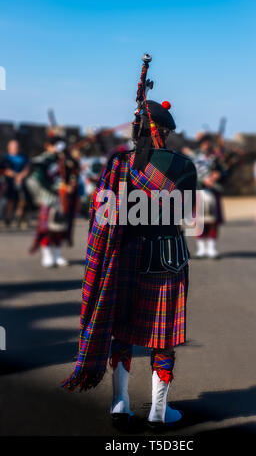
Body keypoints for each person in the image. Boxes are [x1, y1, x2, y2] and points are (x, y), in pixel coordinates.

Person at [62, 55, 197, 431]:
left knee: (121, 331)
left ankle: (120, 405)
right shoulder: (184, 166)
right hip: (168, 261)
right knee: (162, 337)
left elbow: (100, 215)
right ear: (163, 131)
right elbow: (189, 216)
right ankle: (158, 412)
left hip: (124, 259)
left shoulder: (118, 164)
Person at [27, 138, 70, 267]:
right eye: (54, 145)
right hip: (47, 198)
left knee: (59, 228)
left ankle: (57, 255)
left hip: (61, 199)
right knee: (45, 229)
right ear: (48, 146)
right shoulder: (42, 160)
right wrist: (55, 188)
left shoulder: (63, 159)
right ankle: (47, 255)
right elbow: (39, 179)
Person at [193, 133, 225, 259]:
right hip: (200, 190)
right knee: (200, 222)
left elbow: (225, 171)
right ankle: (201, 249)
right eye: (204, 142)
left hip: (213, 191)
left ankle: (211, 248)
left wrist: (218, 175)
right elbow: (192, 173)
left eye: (208, 142)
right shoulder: (195, 157)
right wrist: (202, 181)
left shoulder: (216, 158)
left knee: (213, 222)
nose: (206, 144)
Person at [1, 139, 30, 227]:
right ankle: (8, 219)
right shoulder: (6, 158)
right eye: (14, 147)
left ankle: (20, 219)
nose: (15, 149)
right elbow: (3, 170)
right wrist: (13, 175)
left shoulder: (24, 157)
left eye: (17, 147)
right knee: (10, 201)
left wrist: (21, 176)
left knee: (23, 200)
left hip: (22, 181)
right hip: (10, 182)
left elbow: (27, 168)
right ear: (9, 148)